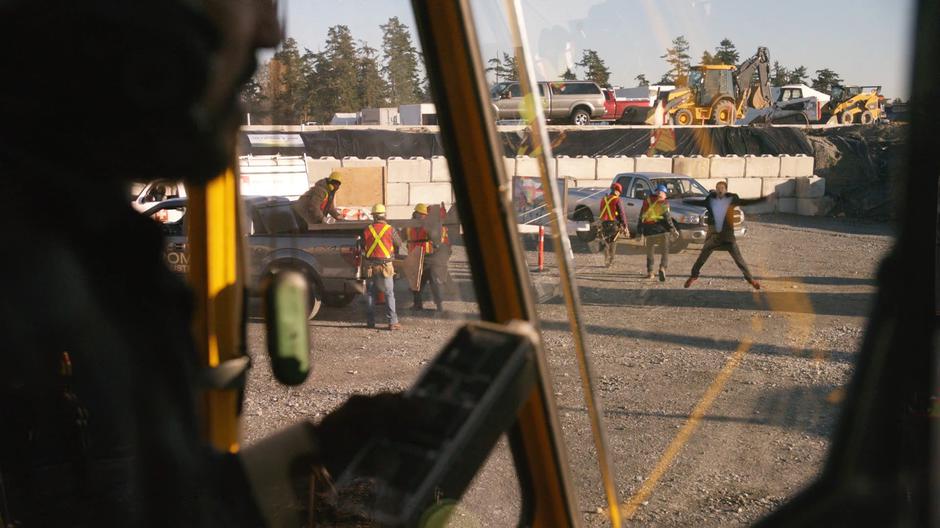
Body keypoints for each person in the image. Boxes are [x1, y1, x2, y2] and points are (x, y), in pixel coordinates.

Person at [0, 2, 405, 526]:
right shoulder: (38, 271)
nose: (269, 29)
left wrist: (327, 449)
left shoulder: (99, 253)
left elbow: (177, 502)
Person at [682, 181, 765, 290]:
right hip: (714, 237)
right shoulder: (710, 200)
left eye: (722, 188)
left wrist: (763, 199)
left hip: (727, 237)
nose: (720, 190)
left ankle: (751, 280)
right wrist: (685, 201)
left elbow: (746, 202)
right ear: (716, 190)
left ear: (726, 190)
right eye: (718, 188)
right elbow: (698, 203)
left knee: (739, 260)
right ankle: (693, 276)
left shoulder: (731, 200)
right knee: (702, 258)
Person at [363, 204, 403, 330]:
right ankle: (392, 322)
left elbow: (363, 245)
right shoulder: (390, 229)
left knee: (370, 294)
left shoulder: (367, 229)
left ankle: (370, 322)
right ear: (384, 215)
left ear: (374, 216)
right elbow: (399, 243)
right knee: (389, 294)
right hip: (386, 266)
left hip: (370, 266)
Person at [404, 203, 445, 312]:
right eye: (422, 214)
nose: (423, 217)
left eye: (424, 215)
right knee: (416, 283)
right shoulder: (410, 225)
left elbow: (436, 240)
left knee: (433, 283)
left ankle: (439, 305)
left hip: (428, 258)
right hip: (416, 258)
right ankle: (418, 305)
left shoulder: (426, 225)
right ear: (416, 214)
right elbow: (402, 237)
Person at [639, 184, 680, 281]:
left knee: (650, 252)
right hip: (662, 231)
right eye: (665, 193)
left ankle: (650, 272)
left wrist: (639, 231)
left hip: (649, 230)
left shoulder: (647, 201)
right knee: (664, 251)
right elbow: (667, 218)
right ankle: (662, 268)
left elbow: (641, 217)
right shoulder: (664, 202)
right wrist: (673, 230)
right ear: (663, 193)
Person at [597, 182, 630, 267]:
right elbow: (622, 214)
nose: (619, 194)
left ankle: (606, 260)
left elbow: (601, 211)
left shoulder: (603, 199)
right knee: (613, 242)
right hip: (613, 224)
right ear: (616, 191)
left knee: (606, 242)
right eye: (619, 192)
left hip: (604, 224)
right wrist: (625, 226)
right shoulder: (617, 200)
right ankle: (610, 261)